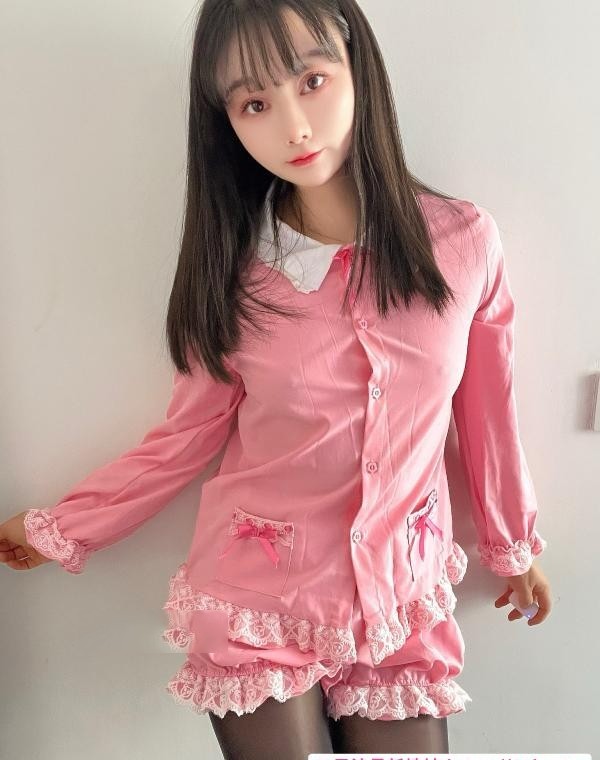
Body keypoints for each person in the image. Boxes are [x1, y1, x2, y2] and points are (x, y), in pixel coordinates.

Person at [0, 0, 553, 757]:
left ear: (357, 69)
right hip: (258, 601)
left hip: (404, 600)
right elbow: (185, 437)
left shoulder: (464, 243)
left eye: (312, 81)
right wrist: (64, 528)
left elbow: (489, 416)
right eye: (254, 104)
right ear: (225, 121)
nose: (293, 127)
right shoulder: (236, 275)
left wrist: (513, 545)